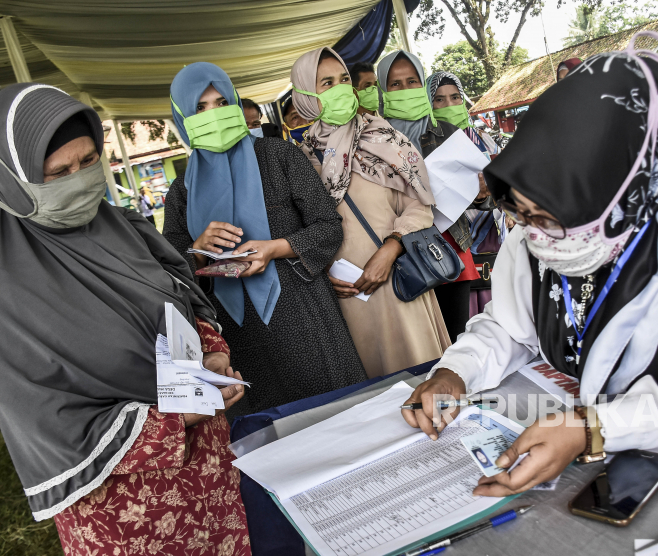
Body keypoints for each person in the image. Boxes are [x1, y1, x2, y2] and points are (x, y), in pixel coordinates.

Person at [402, 39, 658, 496]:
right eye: (523, 215)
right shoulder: (533, 237)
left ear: (616, 187)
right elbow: (508, 328)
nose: (535, 235)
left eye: (549, 217)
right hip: (616, 458)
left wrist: (594, 428)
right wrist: (457, 371)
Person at [0, 84, 251, 554]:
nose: (80, 181)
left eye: (88, 161)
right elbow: (48, 423)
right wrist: (175, 419)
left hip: (210, 475)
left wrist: (212, 352)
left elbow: (177, 292)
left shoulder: (123, 228)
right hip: (128, 511)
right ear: (12, 185)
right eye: (58, 173)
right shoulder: (0, 299)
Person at [162, 62, 366, 416]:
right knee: (270, 436)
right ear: (182, 118)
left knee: (338, 416)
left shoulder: (278, 156)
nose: (214, 114)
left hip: (304, 315)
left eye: (222, 102)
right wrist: (197, 249)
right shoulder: (181, 192)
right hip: (236, 339)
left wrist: (276, 248)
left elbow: (327, 225)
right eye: (200, 107)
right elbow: (171, 274)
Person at [291, 47, 450, 378]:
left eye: (344, 79)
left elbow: (420, 202)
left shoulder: (382, 136)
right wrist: (323, 276)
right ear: (305, 93)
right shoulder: (298, 160)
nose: (340, 88)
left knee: (426, 382)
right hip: (350, 296)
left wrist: (391, 248)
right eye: (326, 83)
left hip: (399, 279)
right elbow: (298, 231)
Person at [376, 50, 482, 343]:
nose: (405, 90)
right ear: (382, 90)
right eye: (395, 84)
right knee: (420, 342)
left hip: (449, 245)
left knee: (455, 338)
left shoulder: (446, 130)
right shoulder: (373, 140)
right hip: (401, 252)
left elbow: (482, 196)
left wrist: (482, 192)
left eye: (412, 81)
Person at [426, 70, 510, 320]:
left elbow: (509, 187)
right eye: (439, 100)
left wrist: (489, 197)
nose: (449, 105)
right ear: (429, 105)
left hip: (494, 242)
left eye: (454, 97)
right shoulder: (426, 145)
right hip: (455, 247)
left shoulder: (485, 141)